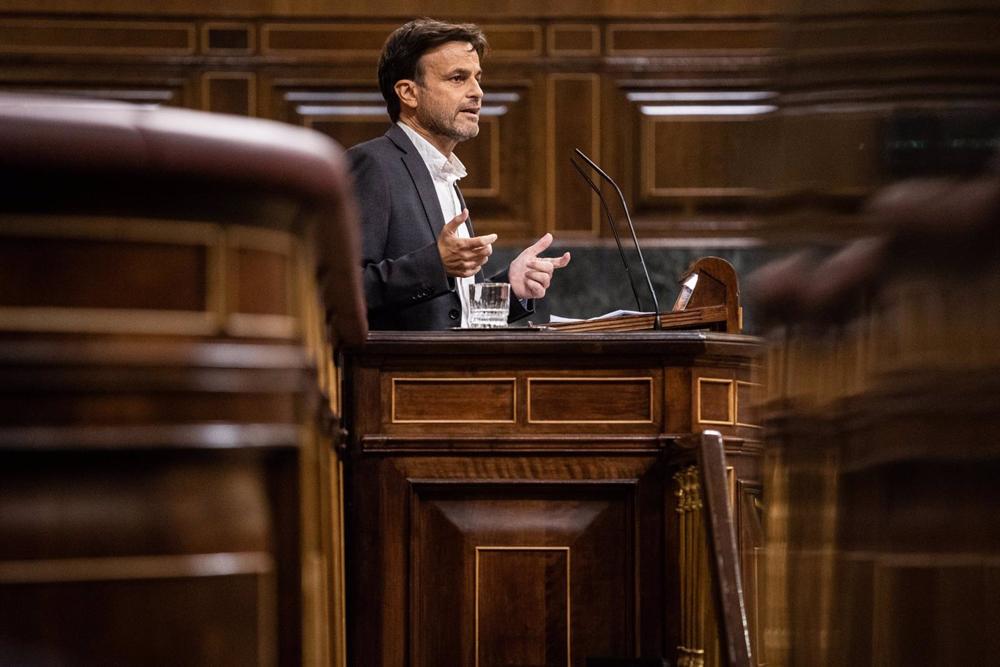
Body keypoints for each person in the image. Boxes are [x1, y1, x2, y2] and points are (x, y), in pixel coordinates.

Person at [348, 18, 571, 330]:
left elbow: (457, 311)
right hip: (401, 376)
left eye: (477, 79)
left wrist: (511, 286)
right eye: (457, 78)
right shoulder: (374, 164)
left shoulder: (442, 172)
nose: (477, 92)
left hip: (455, 373)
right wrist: (435, 264)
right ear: (409, 93)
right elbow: (340, 291)